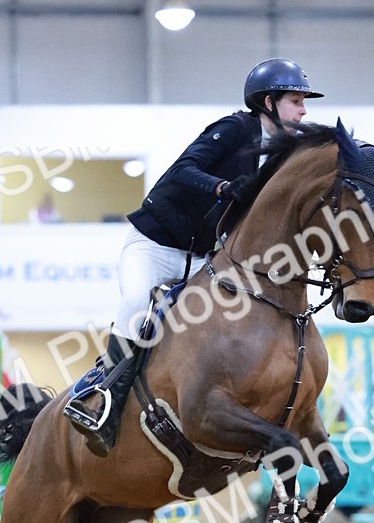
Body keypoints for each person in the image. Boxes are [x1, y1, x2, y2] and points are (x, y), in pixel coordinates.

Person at [63, 57, 324, 457]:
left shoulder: (278, 155)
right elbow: (183, 169)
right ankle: (101, 395)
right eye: (295, 100)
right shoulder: (234, 128)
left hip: (202, 258)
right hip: (153, 246)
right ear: (268, 102)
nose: (303, 110)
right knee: (136, 304)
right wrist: (221, 188)